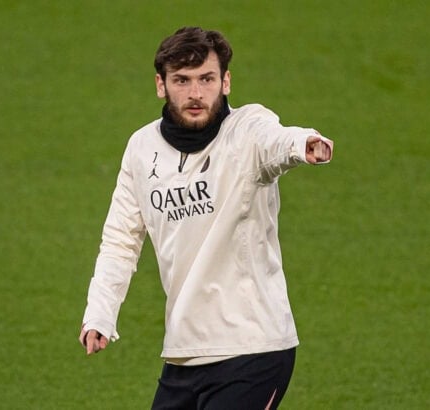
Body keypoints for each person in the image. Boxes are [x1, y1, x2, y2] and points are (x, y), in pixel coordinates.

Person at [79, 26, 334, 409]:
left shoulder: (245, 131)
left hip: (254, 348)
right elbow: (120, 239)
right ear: (160, 85)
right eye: (182, 80)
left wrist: (302, 144)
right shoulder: (141, 148)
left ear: (226, 81)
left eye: (206, 79)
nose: (195, 93)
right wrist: (100, 312)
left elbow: (274, 140)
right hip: (184, 352)